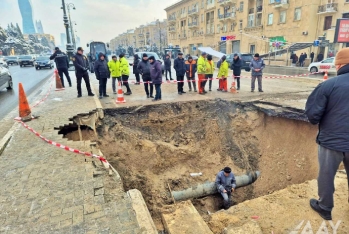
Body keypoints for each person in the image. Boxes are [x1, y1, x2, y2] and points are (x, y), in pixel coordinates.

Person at [305, 47, 349, 221]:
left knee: (326, 174)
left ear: (340, 65)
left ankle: (324, 207)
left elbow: (313, 115)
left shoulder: (328, 85)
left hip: (331, 141)